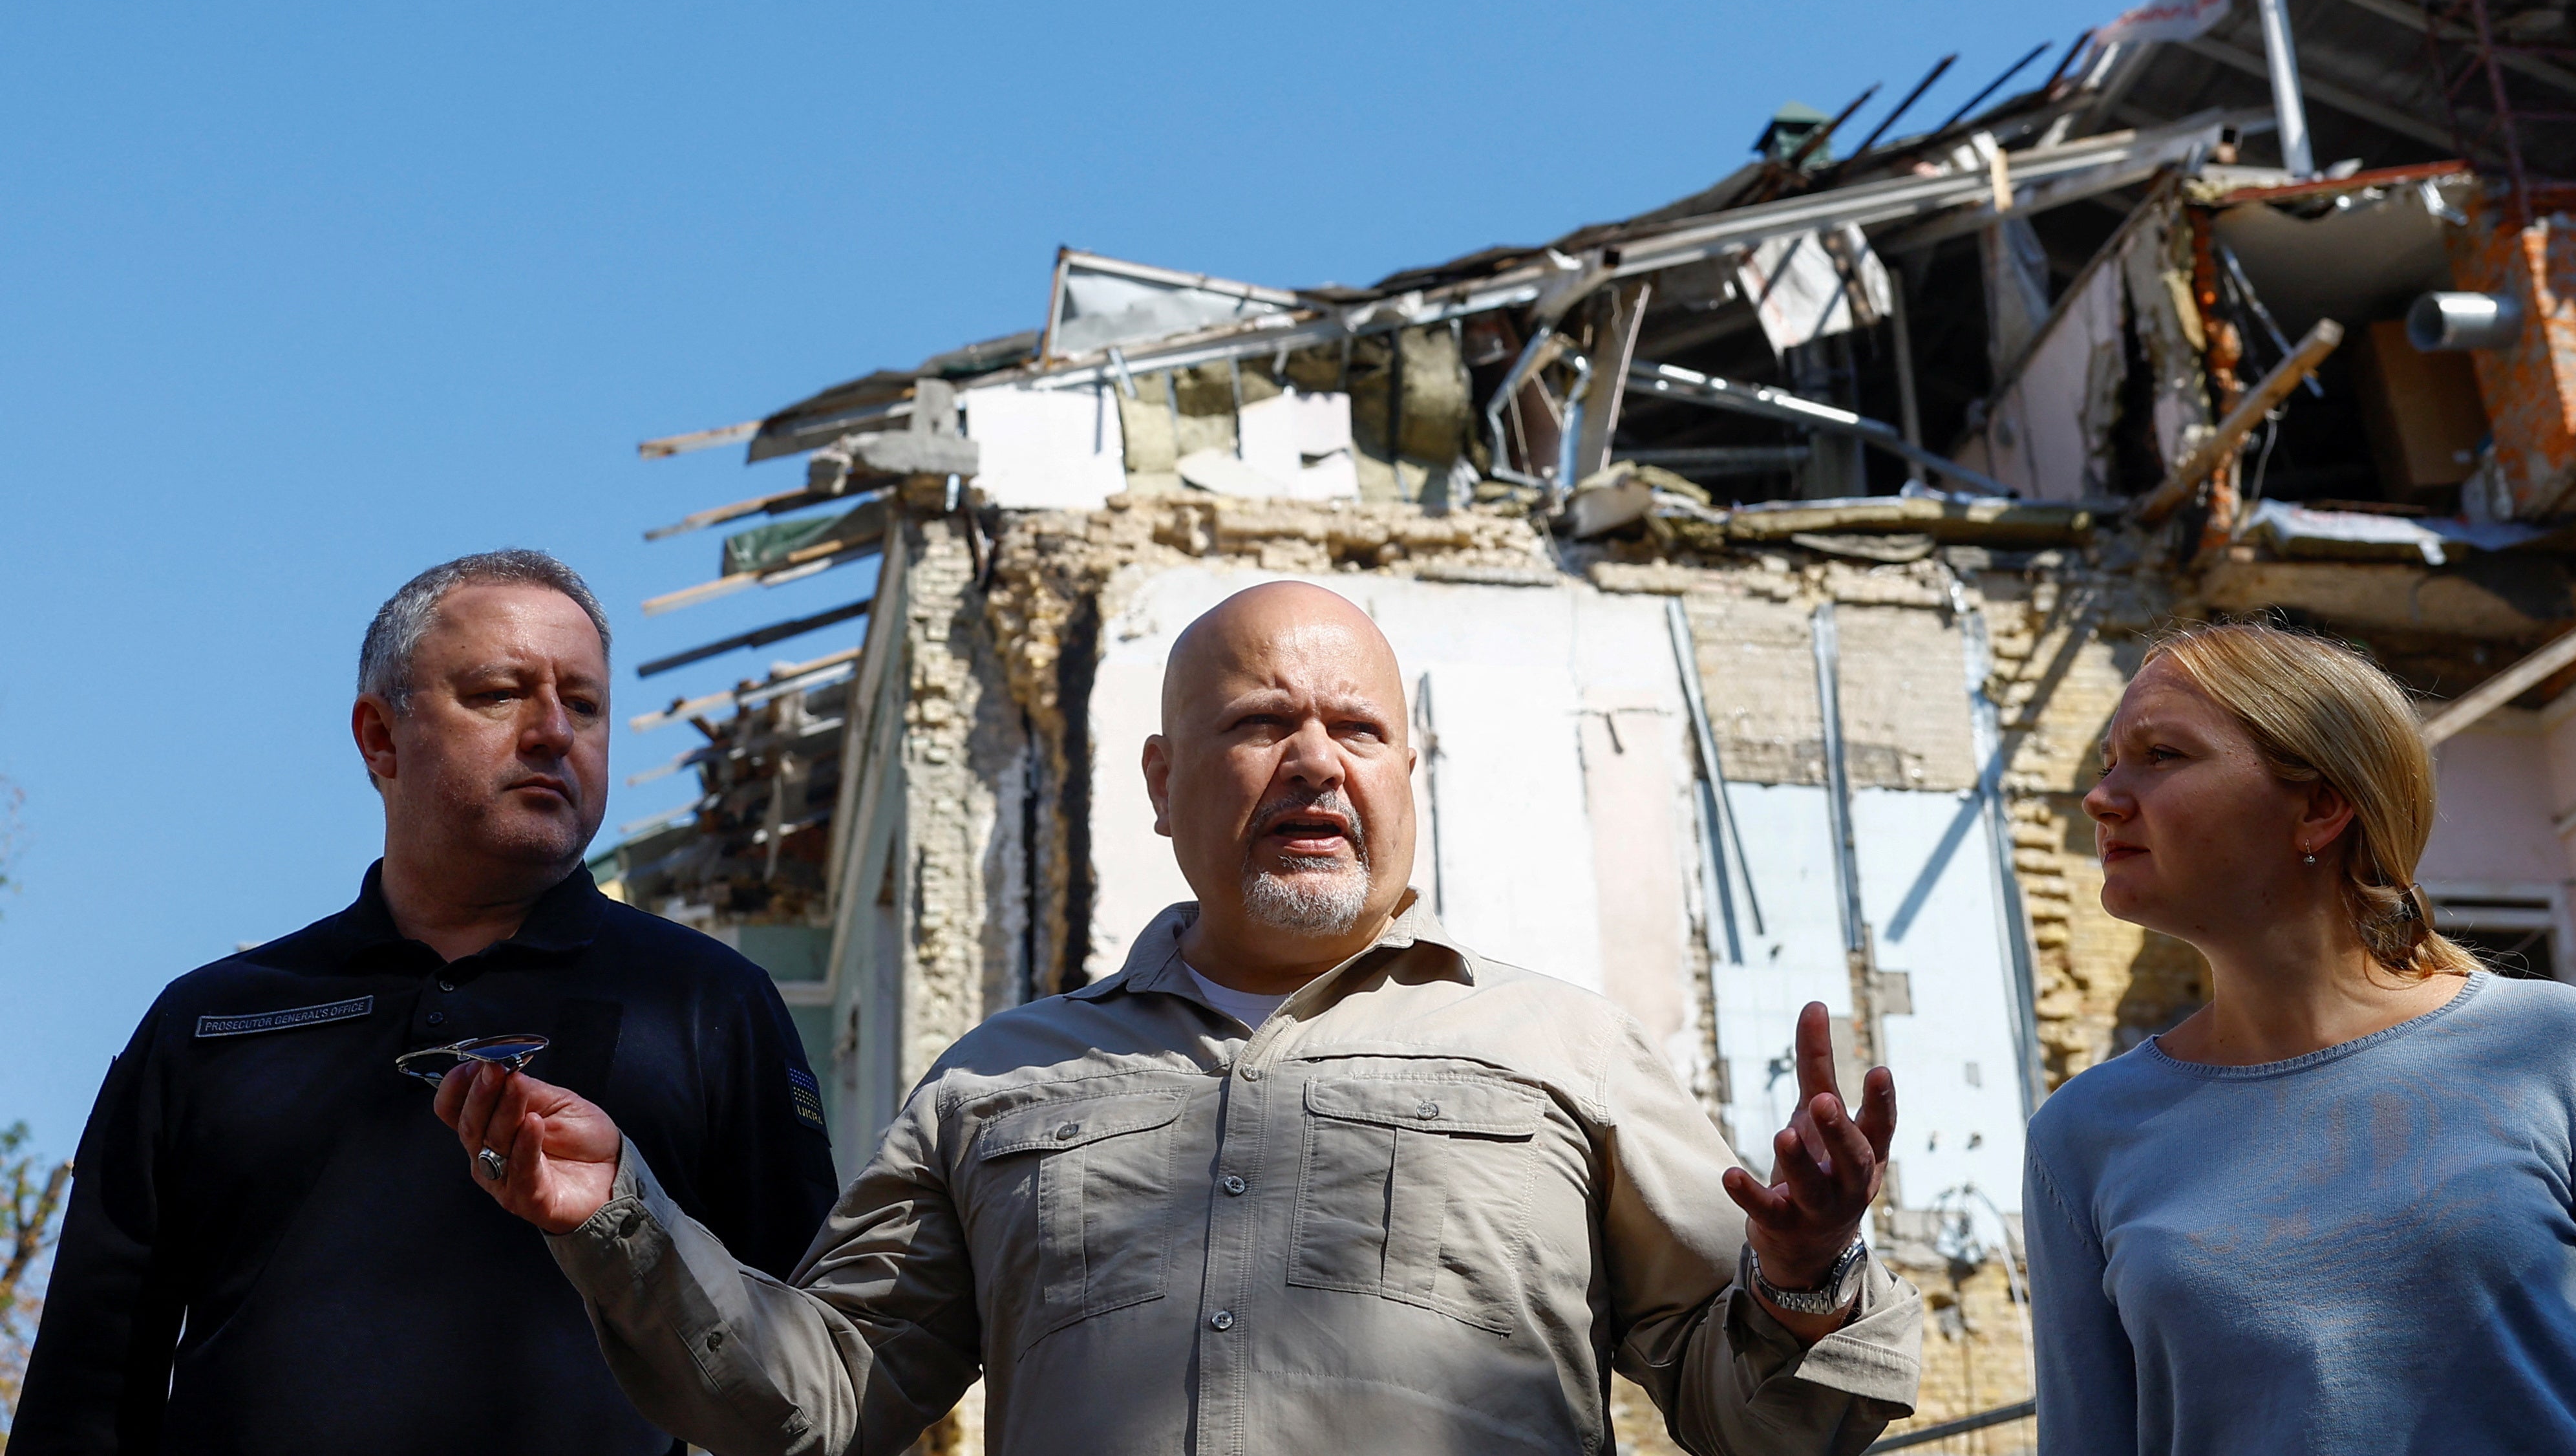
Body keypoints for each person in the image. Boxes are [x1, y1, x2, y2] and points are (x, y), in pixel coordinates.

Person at [435, 579, 1926, 1453]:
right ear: (1159, 783)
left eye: (1358, 731)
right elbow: (816, 1396)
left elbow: (1764, 1423)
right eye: (1262, 725)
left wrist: (1803, 1279)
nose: (1315, 764)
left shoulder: (1564, 1050)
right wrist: (618, 1215)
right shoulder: (994, 1086)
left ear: (1412, 781)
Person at [16, 550, 839, 1456]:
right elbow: (87, 1390)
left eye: (588, 705)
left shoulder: (708, 1005)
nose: (554, 732)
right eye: (499, 693)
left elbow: (806, 1368)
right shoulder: (208, 1023)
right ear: (379, 738)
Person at [2027, 620, 2576, 1456]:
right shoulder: (2080, 1138)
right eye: (2106, 764)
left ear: (2318, 807)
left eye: (2160, 755)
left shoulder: (2560, 1051)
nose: (2101, 797)